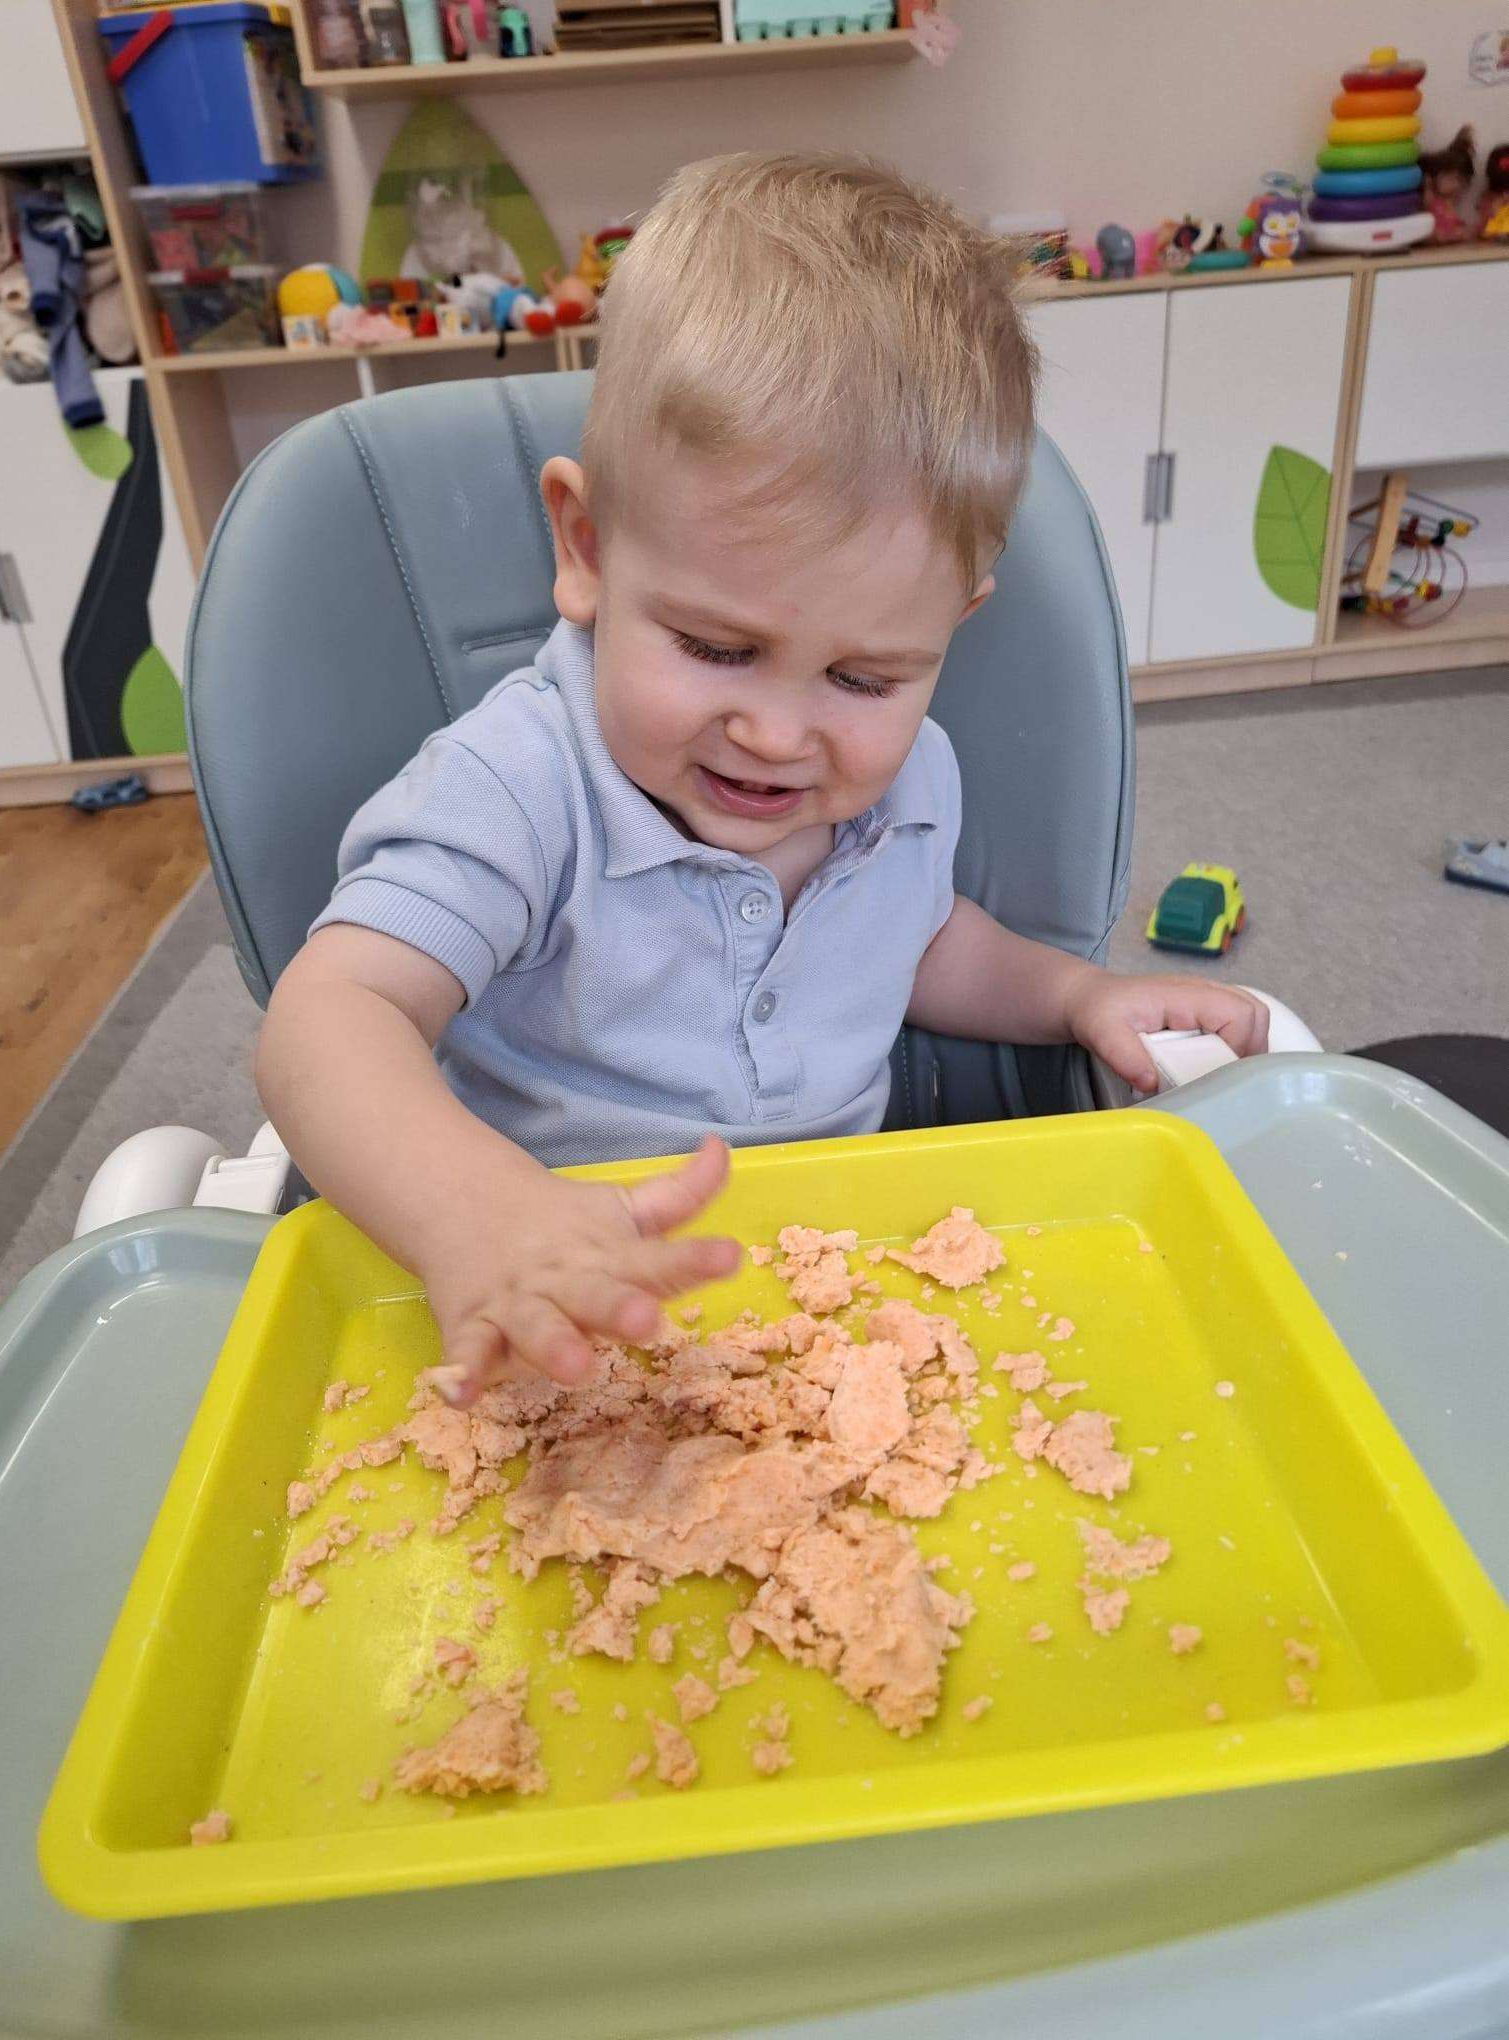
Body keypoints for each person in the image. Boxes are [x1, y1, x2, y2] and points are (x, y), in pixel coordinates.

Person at [256, 150, 1268, 1402]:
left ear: (953, 623)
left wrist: (1075, 994)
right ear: (586, 548)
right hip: (540, 1310)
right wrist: (476, 1212)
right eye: (716, 649)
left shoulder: (908, 779)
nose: (781, 736)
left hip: (837, 1293)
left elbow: (918, 938)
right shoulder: (517, 787)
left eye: (864, 677)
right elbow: (328, 1018)